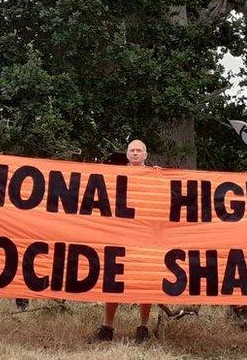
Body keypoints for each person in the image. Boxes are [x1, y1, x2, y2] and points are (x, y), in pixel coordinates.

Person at [91, 139, 153, 344]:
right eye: (132, 150)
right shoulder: (114, 173)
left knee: (146, 282)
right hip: (120, 234)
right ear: (127, 154)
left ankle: (143, 326)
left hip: (145, 236)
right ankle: (107, 326)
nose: (135, 153)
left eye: (139, 150)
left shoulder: (155, 175)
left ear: (145, 155)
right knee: (114, 280)